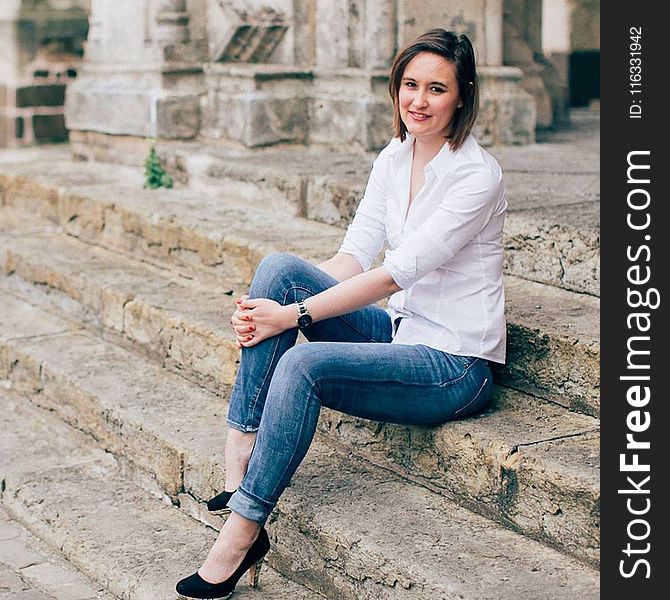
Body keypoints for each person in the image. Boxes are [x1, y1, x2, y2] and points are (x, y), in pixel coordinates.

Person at [176, 28, 508, 599]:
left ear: (463, 95)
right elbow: (353, 257)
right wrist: (276, 307)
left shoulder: (477, 176)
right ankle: (240, 458)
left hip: (454, 365)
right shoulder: (394, 156)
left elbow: (394, 273)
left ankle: (244, 528)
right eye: (410, 85)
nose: (419, 101)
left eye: (436, 88)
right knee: (280, 270)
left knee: (303, 366)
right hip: (402, 334)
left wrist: (294, 318)